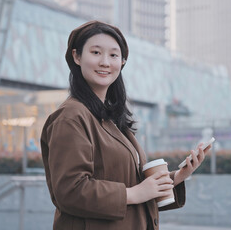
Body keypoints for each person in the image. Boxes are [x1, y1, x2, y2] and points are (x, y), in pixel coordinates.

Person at [40, 20, 210, 230]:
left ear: (122, 62)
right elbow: (70, 191)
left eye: (113, 55)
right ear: (76, 56)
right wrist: (134, 193)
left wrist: (177, 177)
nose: (105, 62)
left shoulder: (110, 117)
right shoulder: (71, 116)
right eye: (95, 52)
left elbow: (133, 184)